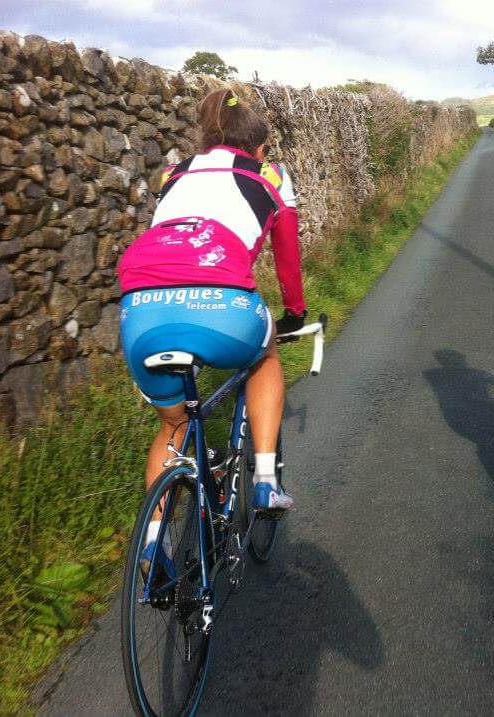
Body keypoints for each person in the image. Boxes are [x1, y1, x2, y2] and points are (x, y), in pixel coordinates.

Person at [117, 88, 308, 562]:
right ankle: (264, 483)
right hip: (222, 302)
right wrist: (294, 314)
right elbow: (287, 256)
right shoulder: (271, 174)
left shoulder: (173, 173)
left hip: (139, 309)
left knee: (173, 426)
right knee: (265, 356)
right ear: (259, 147)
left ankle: (150, 548)